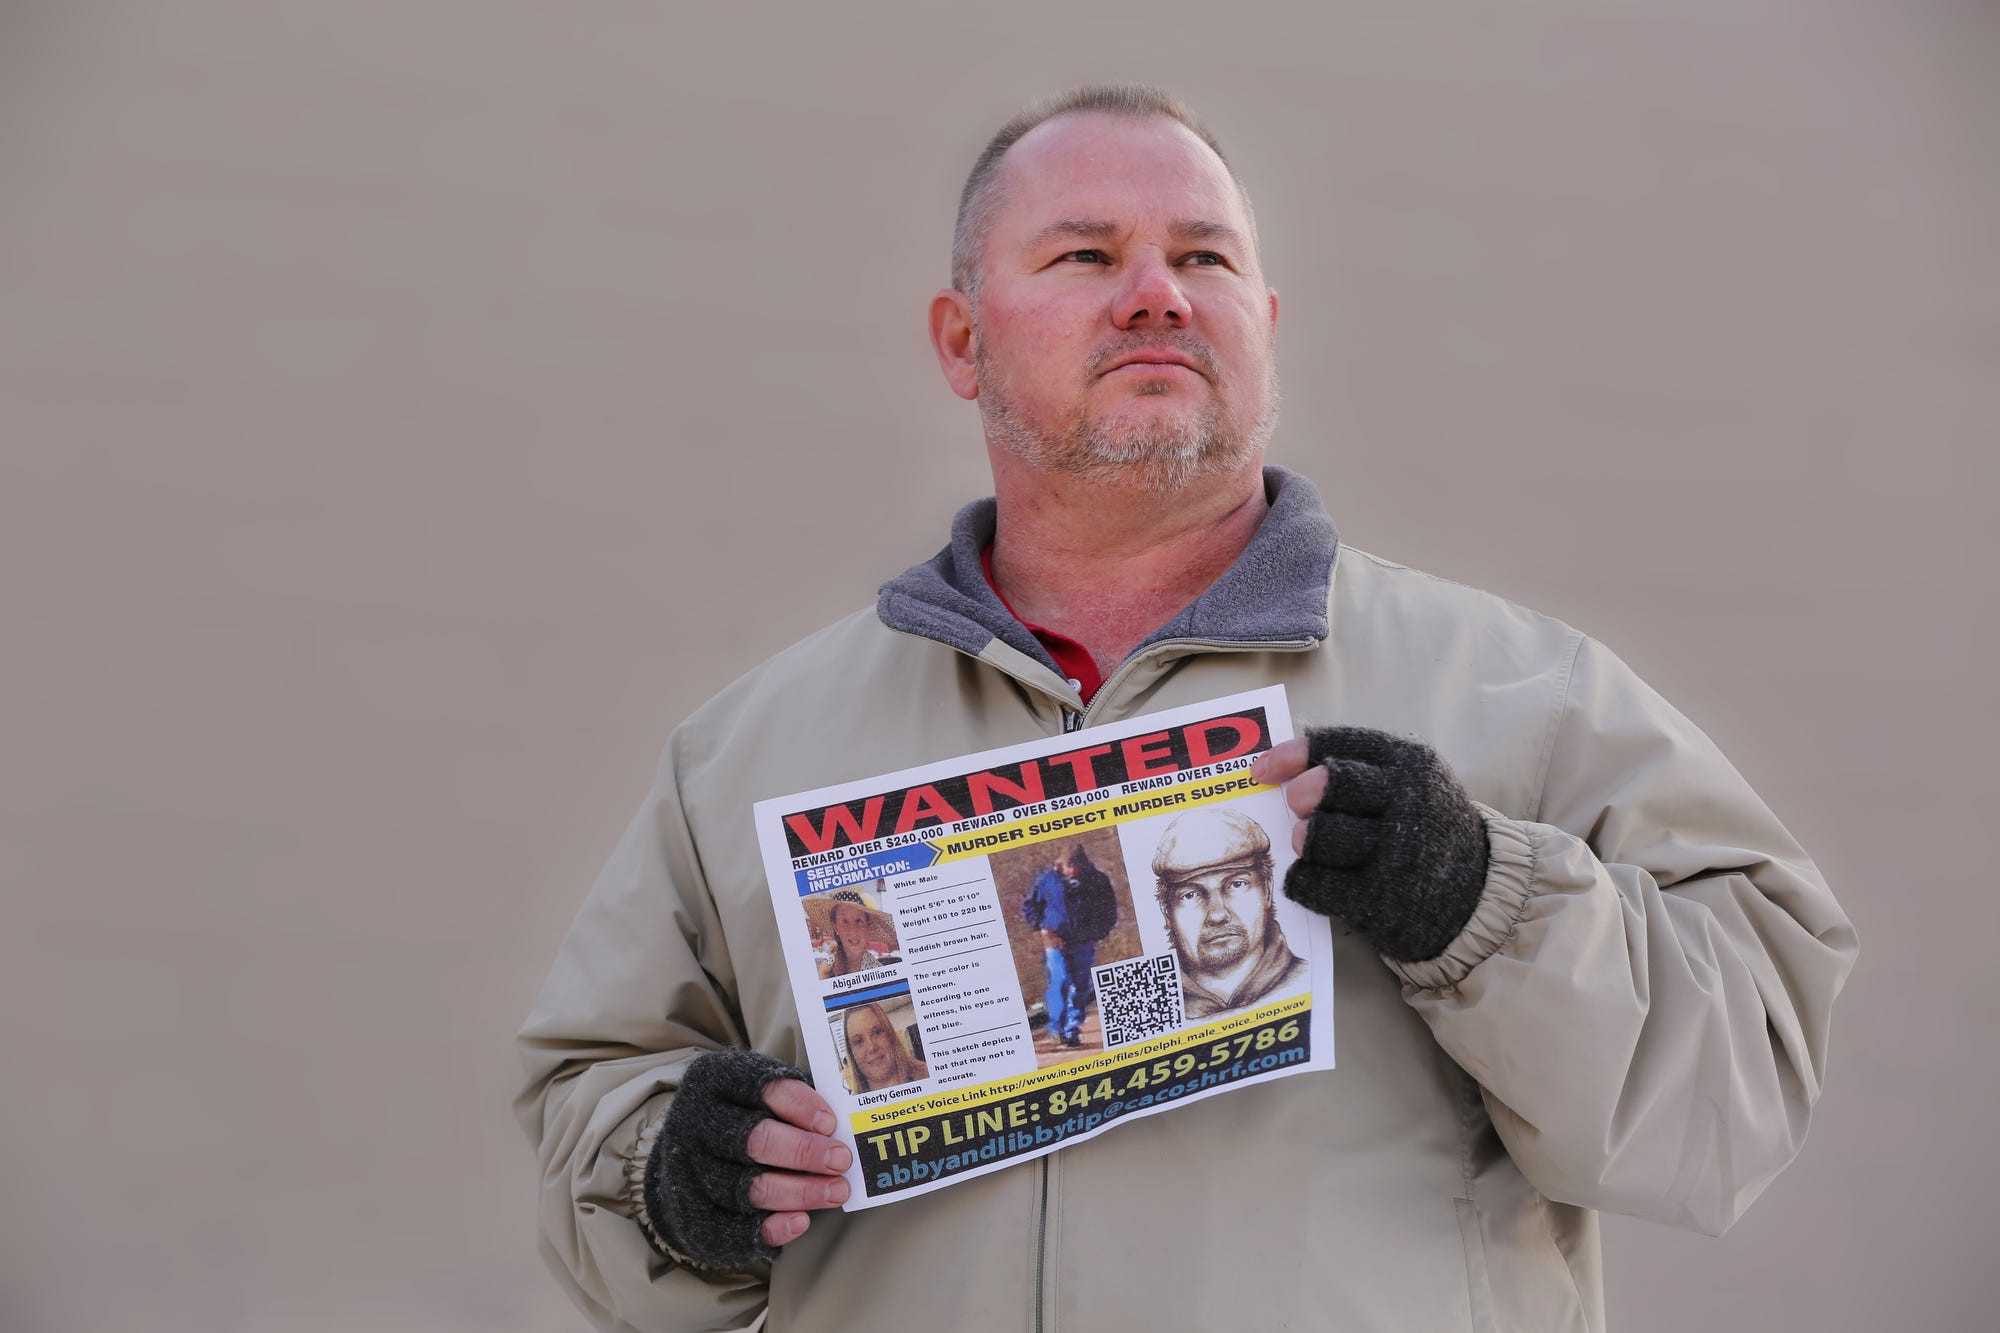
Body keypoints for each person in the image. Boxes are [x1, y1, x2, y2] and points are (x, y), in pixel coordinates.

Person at [516, 85, 1857, 1331]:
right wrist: (677, 1181)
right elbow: (591, 1100)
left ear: (1263, 327)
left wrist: (1485, 904)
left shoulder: (1524, 696)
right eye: (1087, 256)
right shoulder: (743, 757)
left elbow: (1739, 1090)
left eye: (1204, 258)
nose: (1156, 294)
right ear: (961, 337)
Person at [1149, 807, 1307, 1019]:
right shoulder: (1154, 1010)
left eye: (1236, 884)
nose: (1217, 915)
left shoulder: (1316, 979)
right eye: (1190, 895)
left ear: (1267, 891)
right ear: (1167, 913)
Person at [1020, 842, 1117, 1045]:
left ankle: (1072, 1029)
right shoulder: (1047, 881)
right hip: (1054, 940)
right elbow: (1030, 906)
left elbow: (1109, 910)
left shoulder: (1097, 881)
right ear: (1061, 865)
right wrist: (1042, 928)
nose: (1071, 871)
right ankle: (1057, 1026)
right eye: (1068, 866)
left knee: (1080, 986)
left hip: (1083, 942)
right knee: (1060, 981)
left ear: (1083, 865)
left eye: (1075, 866)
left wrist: (1098, 933)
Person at [808, 885, 897, 980]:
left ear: (868, 927)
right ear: (836, 928)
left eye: (859, 921)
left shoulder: (878, 971)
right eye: (844, 922)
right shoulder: (827, 970)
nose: (853, 931)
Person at [838, 1002, 928, 1094]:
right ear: (852, 1053)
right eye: (859, 1041)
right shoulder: (853, 1106)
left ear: (890, 1035)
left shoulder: (927, 1074)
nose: (871, 1047)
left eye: (877, 1032)